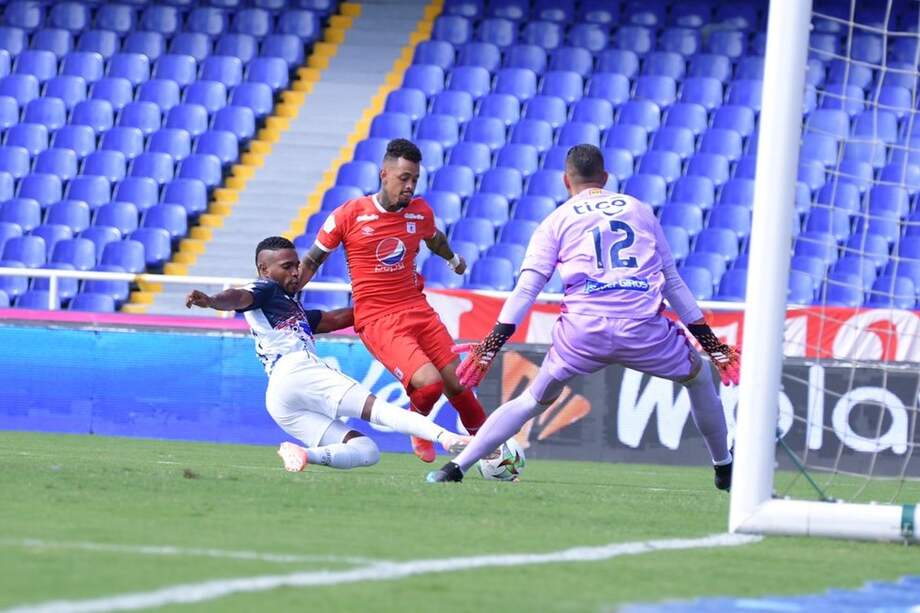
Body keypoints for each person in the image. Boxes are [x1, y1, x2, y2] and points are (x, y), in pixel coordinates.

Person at [427, 144, 742, 490]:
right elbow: (673, 284)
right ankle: (723, 467)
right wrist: (714, 347)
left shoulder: (556, 220)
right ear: (605, 178)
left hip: (582, 331)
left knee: (531, 400)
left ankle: (455, 467)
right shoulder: (639, 210)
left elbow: (526, 290)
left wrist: (490, 346)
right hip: (641, 326)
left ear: (566, 180)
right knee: (697, 379)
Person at [185, 236, 468, 472]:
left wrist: (392, 303)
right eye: (287, 267)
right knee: (382, 411)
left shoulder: (287, 309)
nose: (296, 272)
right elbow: (239, 297)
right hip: (298, 370)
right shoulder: (264, 289)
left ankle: (303, 454)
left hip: (280, 399)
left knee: (366, 451)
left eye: (297, 265)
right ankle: (448, 438)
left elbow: (335, 320)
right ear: (264, 269)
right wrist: (212, 301)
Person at [296, 138, 487, 463]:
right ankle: (418, 427)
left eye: (414, 179)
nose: (410, 186)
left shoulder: (420, 211)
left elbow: (434, 238)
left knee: (458, 382)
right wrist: (286, 295)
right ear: (384, 174)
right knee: (430, 385)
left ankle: (489, 451)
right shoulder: (350, 214)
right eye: (404, 178)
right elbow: (312, 261)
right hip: (377, 318)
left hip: (417, 308)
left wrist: (453, 259)